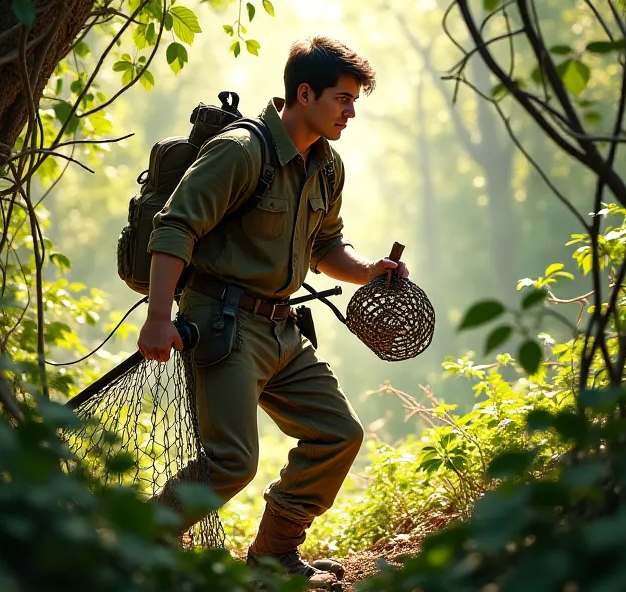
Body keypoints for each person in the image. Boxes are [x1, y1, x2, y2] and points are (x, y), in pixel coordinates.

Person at [137, 36, 408, 587]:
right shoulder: (242, 150)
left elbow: (326, 246)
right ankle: (136, 544)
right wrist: (159, 317)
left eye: (355, 101)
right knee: (232, 462)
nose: (351, 112)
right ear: (303, 93)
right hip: (222, 324)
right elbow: (175, 227)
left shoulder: (327, 168)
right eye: (342, 99)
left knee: (338, 434)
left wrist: (370, 270)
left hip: (282, 327)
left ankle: (272, 556)